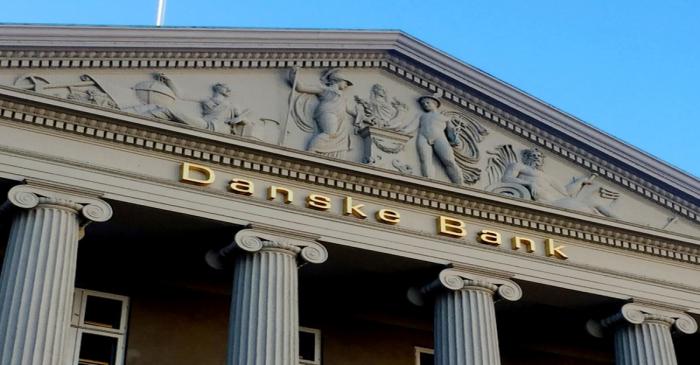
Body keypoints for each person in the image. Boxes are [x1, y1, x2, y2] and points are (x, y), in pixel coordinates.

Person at [288, 68, 353, 158]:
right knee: (330, 133)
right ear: (337, 80)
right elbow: (301, 87)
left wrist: (362, 116)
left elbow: (348, 109)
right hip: (328, 112)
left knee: (332, 134)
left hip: (339, 118)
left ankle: (326, 152)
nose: (346, 85)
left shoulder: (343, 96)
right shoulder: (325, 89)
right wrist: (293, 76)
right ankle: (311, 149)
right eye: (345, 82)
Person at [415, 95, 463, 184]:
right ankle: (429, 182)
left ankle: (460, 184)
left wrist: (455, 140)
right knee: (425, 160)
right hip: (423, 137)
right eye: (423, 104)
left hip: (439, 138)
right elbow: (413, 126)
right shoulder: (422, 116)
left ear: (434, 104)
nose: (425, 105)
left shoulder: (444, 118)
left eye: (427, 102)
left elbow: (451, 134)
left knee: (449, 161)